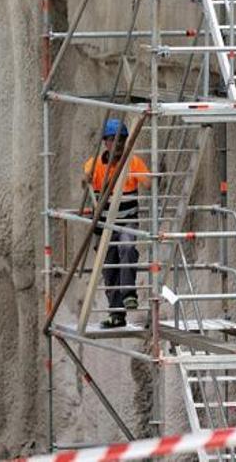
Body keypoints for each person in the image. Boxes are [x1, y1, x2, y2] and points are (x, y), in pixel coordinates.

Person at [83, 118, 152, 329]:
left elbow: (148, 184)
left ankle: (129, 293)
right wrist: (86, 180)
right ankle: (116, 315)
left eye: (122, 140)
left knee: (127, 248)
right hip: (104, 224)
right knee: (109, 267)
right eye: (113, 140)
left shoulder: (133, 162)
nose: (118, 144)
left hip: (126, 221)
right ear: (106, 142)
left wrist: (134, 173)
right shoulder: (94, 164)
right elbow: (84, 179)